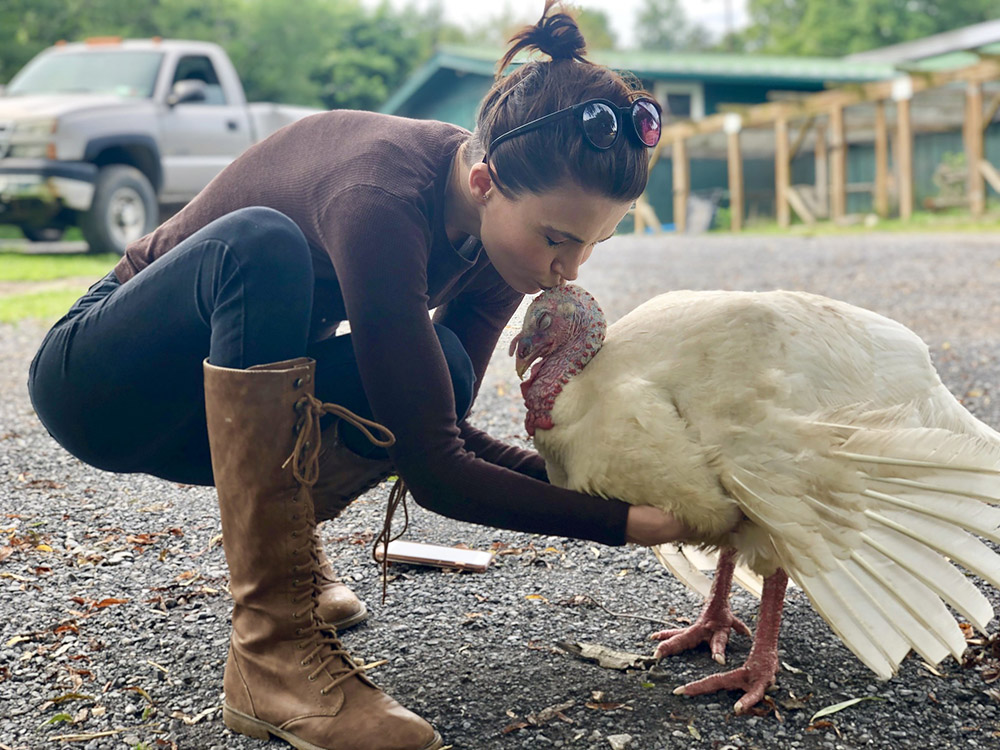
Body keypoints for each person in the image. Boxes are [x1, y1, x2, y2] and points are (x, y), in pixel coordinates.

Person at [27, 3, 689, 749]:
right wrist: (623, 523)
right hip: (101, 385)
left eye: (594, 244)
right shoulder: (379, 194)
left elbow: (432, 431)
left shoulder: (503, 248)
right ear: (483, 180)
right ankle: (271, 653)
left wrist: (625, 491)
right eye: (559, 239)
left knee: (444, 369)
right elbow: (438, 473)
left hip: (217, 417)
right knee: (260, 245)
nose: (569, 270)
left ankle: (285, 552)